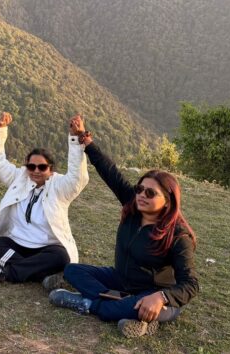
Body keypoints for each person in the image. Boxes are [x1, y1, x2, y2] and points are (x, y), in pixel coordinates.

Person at [49, 131, 199, 338]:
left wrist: (161, 297)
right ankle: (126, 310)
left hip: (153, 292)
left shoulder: (178, 236)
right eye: (140, 189)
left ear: (168, 201)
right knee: (72, 270)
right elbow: (110, 172)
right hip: (121, 280)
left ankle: (88, 304)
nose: (141, 195)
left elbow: (190, 284)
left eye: (150, 193)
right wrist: (87, 143)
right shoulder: (133, 205)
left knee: (138, 307)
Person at [0, 113, 89, 290]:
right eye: (31, 166)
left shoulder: (59, 186)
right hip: (17, 244)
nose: (36, 171)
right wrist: (0, 130)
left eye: (42, 167)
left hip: (46, 248)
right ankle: (40, 273)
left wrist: (75, 139)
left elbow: (77, 178)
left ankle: (5, 273)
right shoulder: (19, 178)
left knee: (61, 257)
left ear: (51, 169)